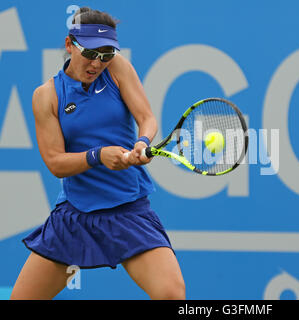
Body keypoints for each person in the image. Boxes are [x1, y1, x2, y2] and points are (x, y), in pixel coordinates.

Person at [10, 7, 185, 300]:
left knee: (172, 295)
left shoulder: (117, 68)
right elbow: (55, 162)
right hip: (75, 215)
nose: (98, 62)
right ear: (70, 45)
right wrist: (98, 156)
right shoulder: (47, 96)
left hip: (128, 210)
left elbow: (147, 117)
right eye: (90, 53)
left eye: (105, 54)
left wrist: (142, 142)